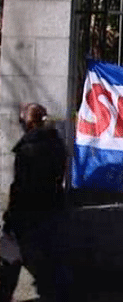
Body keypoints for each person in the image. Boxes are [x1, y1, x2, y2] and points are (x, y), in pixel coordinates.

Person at [0, 103, 68, 302]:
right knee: (48, 263)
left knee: (10, 262)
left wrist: (10, 218)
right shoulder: (56, 143)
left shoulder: (29, 149)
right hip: (50, 211)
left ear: (29, 122)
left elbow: (21, 187)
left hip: (28, 215)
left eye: (22, 119)